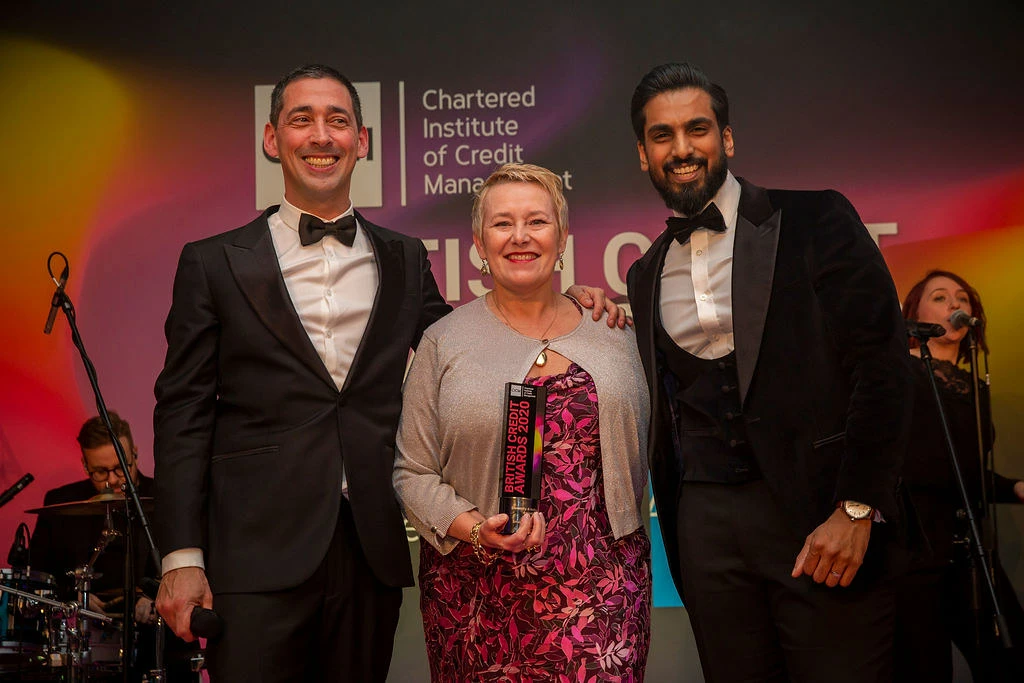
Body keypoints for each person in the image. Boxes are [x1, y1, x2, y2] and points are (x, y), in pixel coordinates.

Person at [153, 65, 621, 682]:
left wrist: (563, 304)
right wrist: (181, 557)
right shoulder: (212, 262)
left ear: (362, 142)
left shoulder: (404, 257)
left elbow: (474, 345)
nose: (321, 136)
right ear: (272, 139)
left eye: (338, 121)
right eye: (302, 120)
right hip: (253, 553)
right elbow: (183, 412)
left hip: (369, 548)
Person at [625, 62, 913, 682]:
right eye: (662, 135)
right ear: (643, 155)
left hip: (820, 518)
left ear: (727, 139)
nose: (682, 149)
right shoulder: (644, 273)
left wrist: (858, 506)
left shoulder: (816, 220)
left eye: (697, 129)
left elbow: (885, 367)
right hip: (704, 533)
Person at [394, 163, 652, 681]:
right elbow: (410, 471)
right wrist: (473, 530)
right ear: (478, 243)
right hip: (478, 593)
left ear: (562, 238)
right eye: (501, 223)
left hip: (604, 592)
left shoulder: (617, 332)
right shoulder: (444, 341)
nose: (519, 237)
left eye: (536, 221)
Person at [896, 269, 1024, 682]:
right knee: (925, 667)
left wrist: (1013, 487)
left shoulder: (974, 386)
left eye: (963, 299)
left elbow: (964, 469)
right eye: (940, 297)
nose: (955, 305)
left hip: (971, 549)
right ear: (914, 314)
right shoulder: (898, 376)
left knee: (1009, 657)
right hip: (917, 549)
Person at [29, 412, 195, 682]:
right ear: (84, 465)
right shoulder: (60, 503)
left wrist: (157, 596)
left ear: (136, 453)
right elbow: (37, 576)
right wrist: (73, 597)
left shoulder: (166, 498)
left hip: (156, 635)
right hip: (84, 637)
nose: (114, 479)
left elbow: (192, 565)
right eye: (100, 472)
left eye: (122, 467)